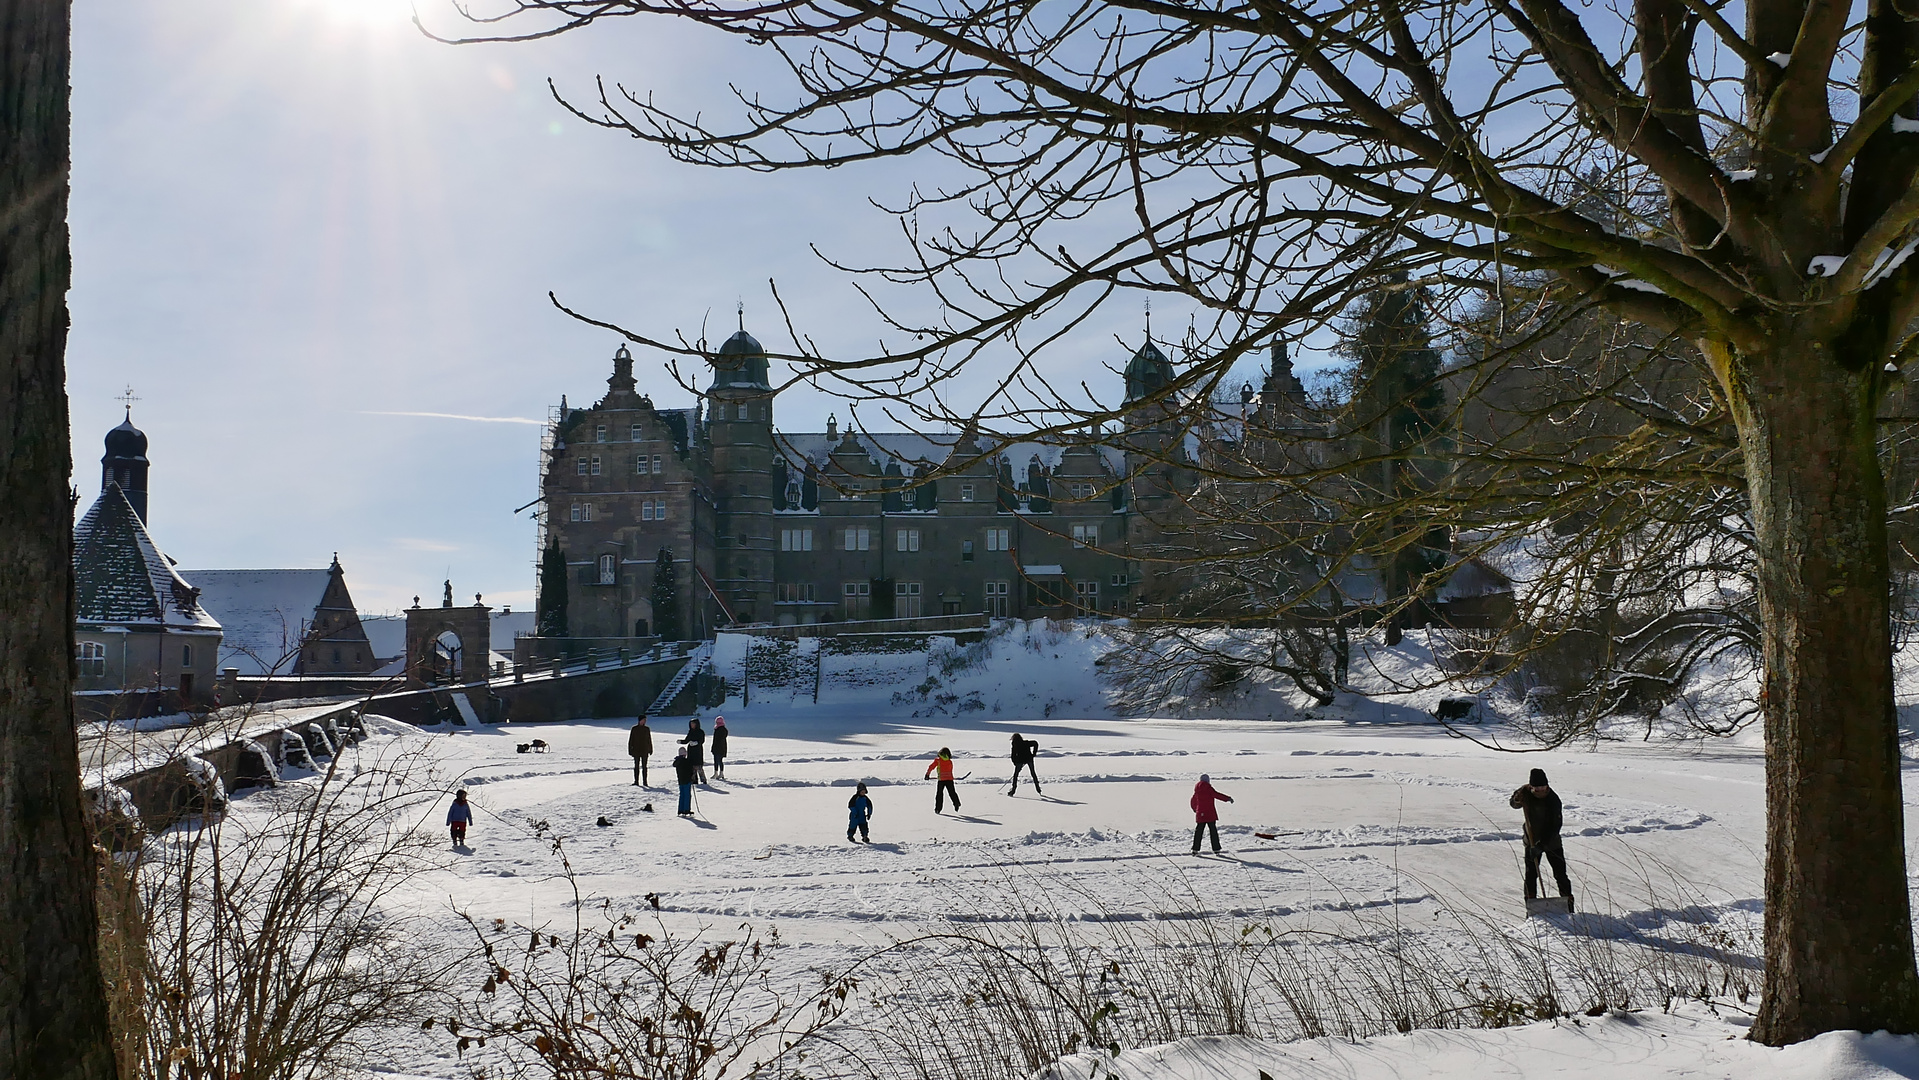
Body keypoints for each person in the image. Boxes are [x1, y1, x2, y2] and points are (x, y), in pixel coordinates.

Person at [1510, 768, 1574, 909]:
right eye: (1537, 789)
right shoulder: (1525, 792)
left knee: (1560, 875)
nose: (1541, 791)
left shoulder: (1553, 800)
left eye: (1543, 788)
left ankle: (1568, 906)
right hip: (1530, 842)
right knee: (1531, 876)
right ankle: (1531, 907)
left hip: (1552, 843)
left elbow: (1554, 826)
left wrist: (1541, 845)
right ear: (1531, 787)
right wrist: (1516, 799)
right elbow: (1514, 804)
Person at [1190, 774, 1232, 854]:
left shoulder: (1197, 790)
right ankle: (1216, 849)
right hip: (1210, 813)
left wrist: (1196, 809)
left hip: (1200, 813)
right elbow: (1217, 795)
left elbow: (1193, 801)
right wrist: (1228, 798)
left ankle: (1195, 849)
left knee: (1199, 831)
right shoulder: (1208, 788)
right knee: (1213, 831)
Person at [925, 747, 961, 814]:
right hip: (949, 779)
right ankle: (956, 802)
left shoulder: (938, 760)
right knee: (952, 792)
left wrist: (927, 774)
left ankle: (938, 809)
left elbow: (931, 767)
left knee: (939, 794)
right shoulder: (949, 761)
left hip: (941, 780)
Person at [629, 715, 654, 786]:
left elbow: (649, 739)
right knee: (636, 766)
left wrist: (650, 749)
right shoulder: (634, 729)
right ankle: (636, 781)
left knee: (644, 766)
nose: (644, 721)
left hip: (645, 750)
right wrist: (630, 750)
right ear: (640, 720)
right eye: (643, 720)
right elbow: (631, 740)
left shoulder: (646, 729)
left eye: (645, 720)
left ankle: (645, 782)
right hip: (636, 750)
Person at [673, 747, 697, 816]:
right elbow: (690, 771)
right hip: (687, 780)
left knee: (682, 794)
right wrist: (692, 777)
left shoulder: (677, 762)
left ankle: (680, 809)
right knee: (687, 795)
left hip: (680, 780)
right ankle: (686, 809)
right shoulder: (686, 762)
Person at [684, 718, 708, 784]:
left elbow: (702, 741)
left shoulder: (700, 732)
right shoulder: (690, 732)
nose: (692, 725)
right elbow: (687, 740)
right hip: (691, 751)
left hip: (697, 751)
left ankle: (703, 780)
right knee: (691, 767)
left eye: (693, 724)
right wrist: (681, 741)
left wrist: (696, 743)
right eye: (691, 724)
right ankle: (694, 780)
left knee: (698, 766)